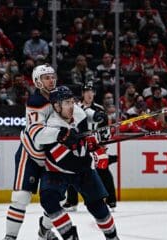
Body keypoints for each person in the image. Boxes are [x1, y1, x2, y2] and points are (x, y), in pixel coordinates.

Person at [22, 85, 119, 240]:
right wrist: (88, 155)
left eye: (72, 101)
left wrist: (94, 147)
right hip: (56, 170)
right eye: (66, 102)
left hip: (81, 169)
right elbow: (63, 159)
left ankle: (113, 237)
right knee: (49, 199)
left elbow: (86, 136)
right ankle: (68, 235)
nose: (71, 106)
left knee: (98, 206)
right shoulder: (51, 124)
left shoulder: (78, 113)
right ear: (56, 106)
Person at [3, 64, 57, 240]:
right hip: (30, 153)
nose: (51, 80)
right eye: (46, 77)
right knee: (21, 197)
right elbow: (38, 135)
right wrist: (63, 134)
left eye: (52, 76)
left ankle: (44, 229)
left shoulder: (61, 97)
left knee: (57, 199)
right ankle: (10, 236)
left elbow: (75, 115)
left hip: (52, 155)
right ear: (37, 81)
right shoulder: (35, 102)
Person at [62, 82, 118, 212]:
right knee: (71, 169)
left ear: (94, 93)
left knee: (103, 170)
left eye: (91, 91)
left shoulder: (99, 108)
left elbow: (105, 129)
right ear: (82, 93)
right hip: (78, 144)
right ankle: (72, 201)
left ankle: (111, 200)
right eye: (86, 91)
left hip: (94, 144)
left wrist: (103, 141)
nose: (89, 93)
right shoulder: (75, 107)